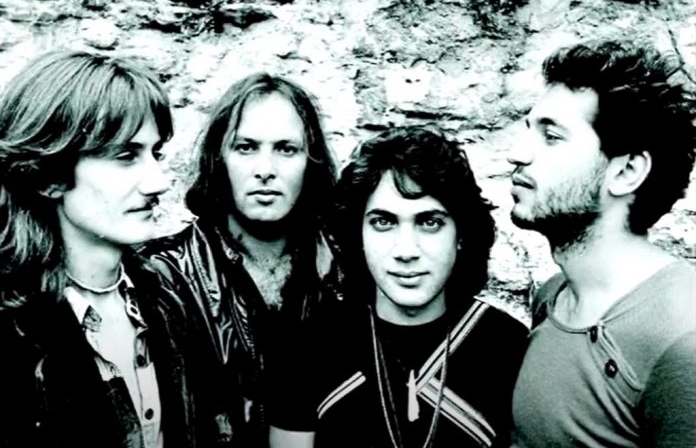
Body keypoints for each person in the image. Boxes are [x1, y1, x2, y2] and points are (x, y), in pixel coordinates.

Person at [268, 126, 529, 448]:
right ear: (357, 234)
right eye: (383, 222)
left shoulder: (508, 347)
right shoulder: (311, 347)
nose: (406, 251)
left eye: (430, 222)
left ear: (461, 234)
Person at [0, 51, 198, 448]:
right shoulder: (12, 327)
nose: (158, 182)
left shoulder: (167, 297)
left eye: (156, 153)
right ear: (47, 175)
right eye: (125, 156)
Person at [507, 39, 696, 447]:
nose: (517, 154)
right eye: (528, 131)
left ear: (627, 171)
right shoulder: (553, 297)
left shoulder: (684, 341)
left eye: (551, 136)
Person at [141, 73, 340, 447]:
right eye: (246, 147)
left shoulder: (345, 272)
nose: (265, 169)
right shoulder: (163, 275)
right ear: (219, 158)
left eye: (286, 149)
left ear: (310, 161)